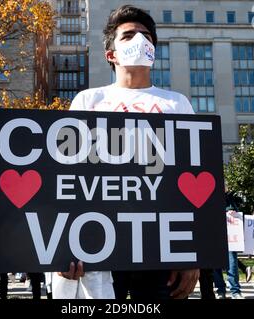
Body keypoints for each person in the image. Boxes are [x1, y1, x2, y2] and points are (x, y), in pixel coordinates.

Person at [52, 5, 199, 299]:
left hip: (159, 246)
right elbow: (67, 173)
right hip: (97, 245)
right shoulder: (89, 100)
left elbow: (189, 175)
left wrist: (192, 254)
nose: (140, 41)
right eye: (129, 35)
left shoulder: (177, 103)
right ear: (111, 54)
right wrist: (61, 244)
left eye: (146, 36)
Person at [213, 190, 244, 299]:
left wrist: (231, 210)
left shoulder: (228, 197)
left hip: (229, 237)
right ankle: (220, 290)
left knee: (232, 263)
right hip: (213, 236)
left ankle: (235, 291)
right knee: (215, 264)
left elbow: (235, 210)